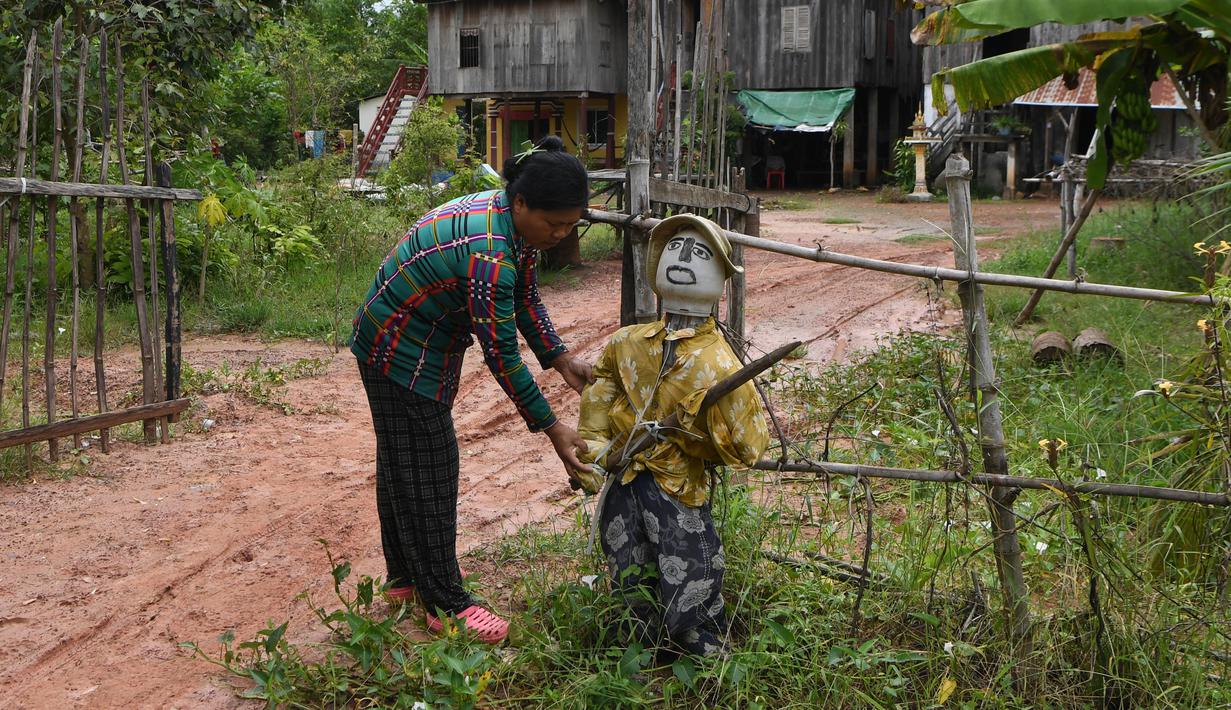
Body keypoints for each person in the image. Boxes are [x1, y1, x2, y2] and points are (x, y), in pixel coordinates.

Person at [350, 136, 595, 644]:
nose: (561, 234)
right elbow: (502, 355)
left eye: (571, 225)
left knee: (402, 461)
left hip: (408, 336)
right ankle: (446, 603)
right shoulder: (491, 254)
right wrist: (553, 428)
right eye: (554, 223)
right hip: (397, 347)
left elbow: (525, 296)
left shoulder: (511, 225)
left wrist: (560, 357)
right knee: (431, 469)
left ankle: (404, 579)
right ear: (522, 202)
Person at [573, 214, 770, 656]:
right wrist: (596, 453)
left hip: (678, 487)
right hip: (624, 477)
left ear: (720, 277)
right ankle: (635, 642)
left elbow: (749, 445)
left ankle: (700, 645)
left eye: (699, 254)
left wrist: (692, 433)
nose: (683, 259)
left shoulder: (720, 364)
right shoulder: (626, 343)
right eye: (675, 249)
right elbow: (599, 396)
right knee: (625, 559)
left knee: (692, 564)